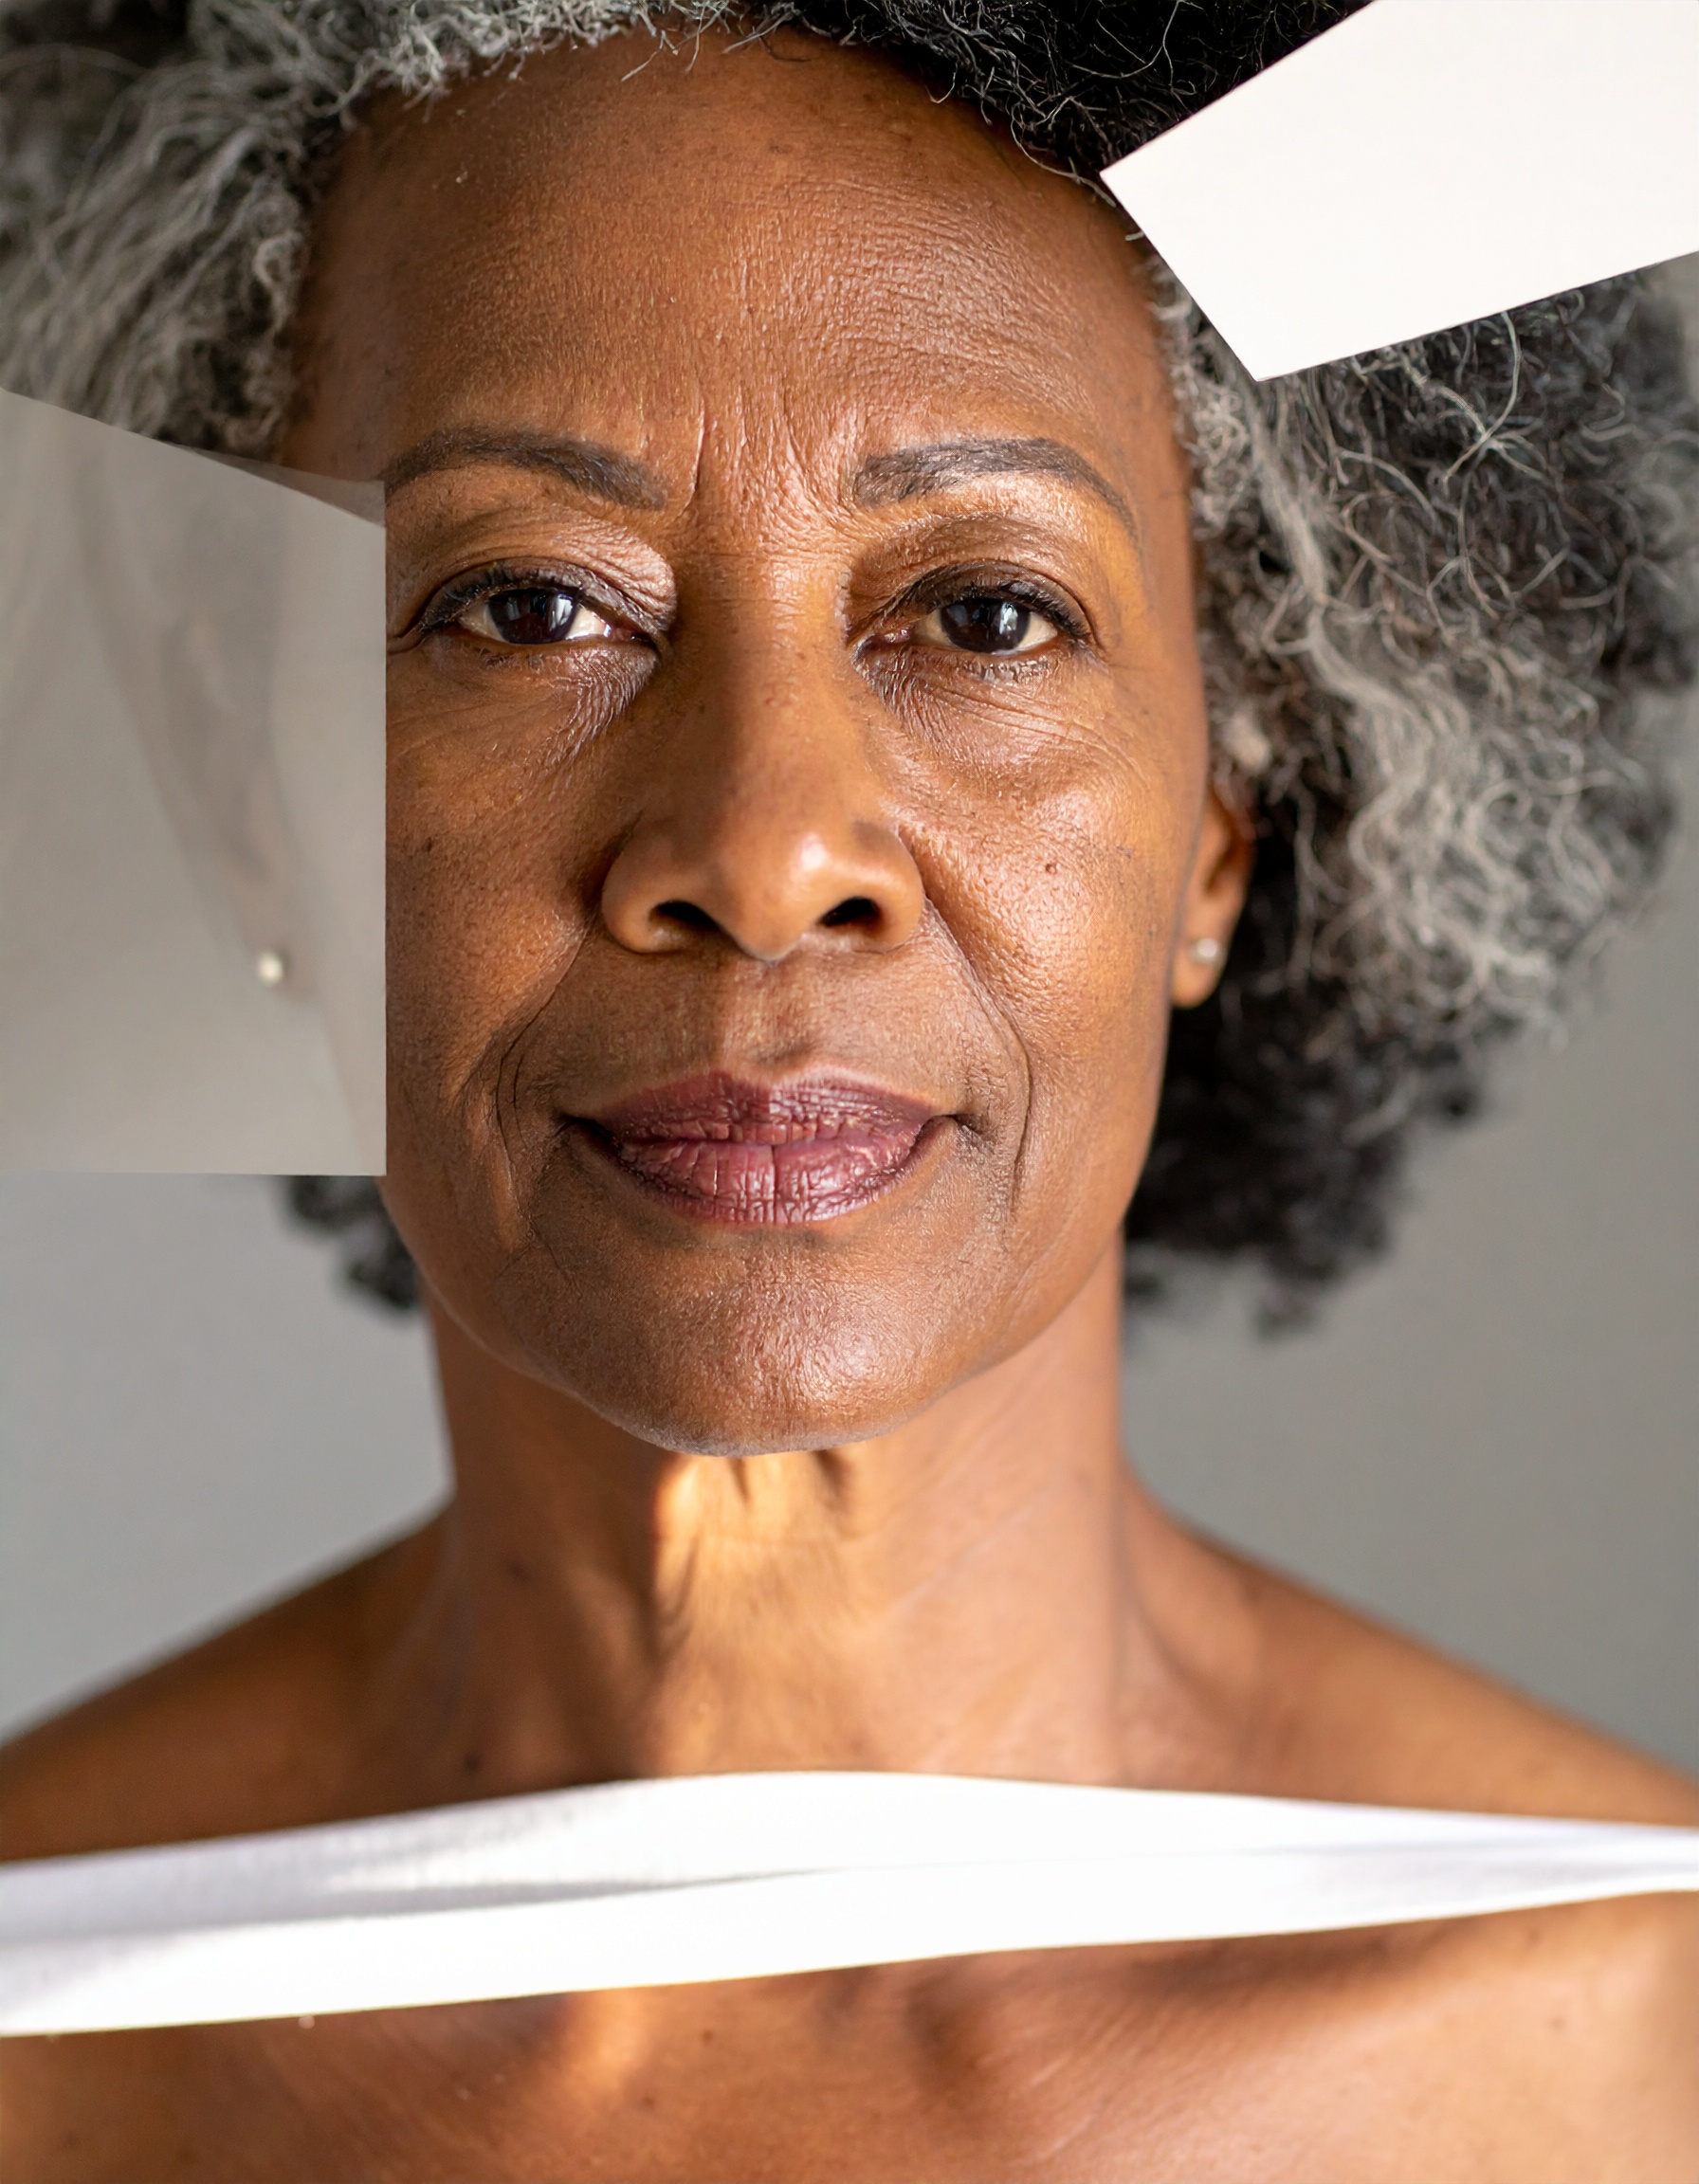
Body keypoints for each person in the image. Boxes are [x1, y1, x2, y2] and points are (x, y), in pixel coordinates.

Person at [2, 3, 1696, 2175]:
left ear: (1223, 823)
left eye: (984, 616)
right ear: (256, 805)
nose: (765, 847)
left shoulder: (1641, 2064)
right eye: (528, 608)